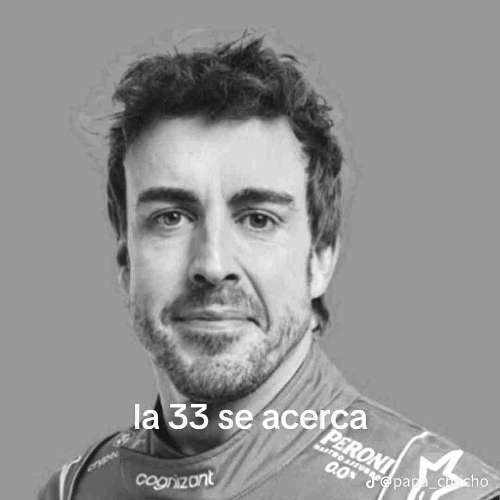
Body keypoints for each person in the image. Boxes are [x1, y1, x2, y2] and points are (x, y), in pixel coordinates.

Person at [38, 35, 500, 500]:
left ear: (320, 258)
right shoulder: (72, 491)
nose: (213, 265)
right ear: (125, 261)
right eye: (170, 218)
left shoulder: (441, 492)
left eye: (258, 219)